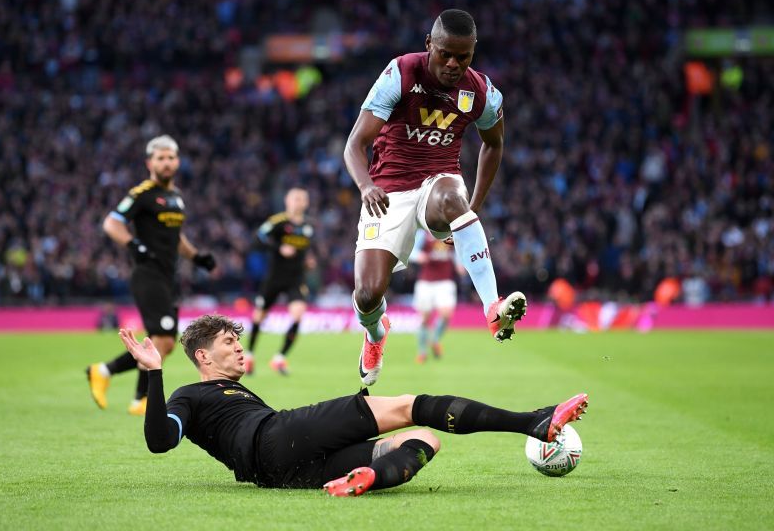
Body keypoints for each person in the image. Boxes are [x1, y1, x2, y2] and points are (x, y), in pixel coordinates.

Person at [119, 313, 588, 496]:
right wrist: (154, 374)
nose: (240, 349)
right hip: (274, 436)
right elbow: (161, 441)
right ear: (203, 356)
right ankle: (534, 421)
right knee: (408, 405)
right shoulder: (190, 395)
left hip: (278, 474)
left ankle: (365, 479)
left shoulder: (234, 394)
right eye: (228, 343)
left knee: (423, 439)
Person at [344, 8, 527, 386]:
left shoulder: (482, 93)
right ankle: (376, 334)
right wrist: (365, 185)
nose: (453, 63)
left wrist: (470, 210)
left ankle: (492, 307)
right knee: (366, 294)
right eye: (445, 53)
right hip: (387, 190)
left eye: (464, 56)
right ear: (429, 44)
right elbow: (354, 145)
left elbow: (494, 144)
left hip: (438, 182)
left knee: (450, 195)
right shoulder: (401, 73)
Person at [86, 135, 216, 415]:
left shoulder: (176, 197)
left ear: (177, 161)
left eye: (170, 158)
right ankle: (125, 388)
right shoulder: (143, 193)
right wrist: (133, 244)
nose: (166, 163)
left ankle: (119, 384)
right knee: (164, 339)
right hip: (148, 275)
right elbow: (112, 222)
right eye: (160, 158)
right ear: (150, 163)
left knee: (163, 344)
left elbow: (176, 236)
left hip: (168, 277)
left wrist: (197, 256)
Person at [244, 187, 315, 376]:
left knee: (298, 314)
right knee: (259, 316)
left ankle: (279, 358)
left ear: (306, 203)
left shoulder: (308, 226)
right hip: (274, 277)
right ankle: (249, 355)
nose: (298, 202)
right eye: (295, 198)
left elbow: (304, 250)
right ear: (287, 201)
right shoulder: (277, 222)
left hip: (296, 278)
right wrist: (278, 247)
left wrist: (308, 260)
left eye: (302, 199)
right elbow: (257, 239)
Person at [410, 229, 464, 363]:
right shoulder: (423, 234)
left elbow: (456, 251)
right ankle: (422, 352)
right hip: (426, 282)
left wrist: (460, 265)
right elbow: (411, 252)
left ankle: (434, 340)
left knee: (446, 314)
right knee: (424, 318)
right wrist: (419, 256)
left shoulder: (451, 234)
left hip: (445, 281)